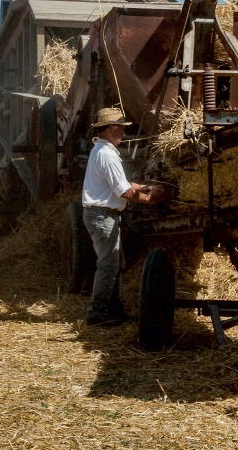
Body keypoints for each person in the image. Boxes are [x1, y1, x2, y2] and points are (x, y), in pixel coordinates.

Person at [82, 107, 168, 326]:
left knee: (115, 263)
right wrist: (152, 198)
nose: (123, 134)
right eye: (121, 129)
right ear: (112, 128)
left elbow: (124, 184)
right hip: (102, 216)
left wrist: (148, 187)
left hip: (102, 215)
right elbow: (125, 192)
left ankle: (114, 310)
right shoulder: (106, 154)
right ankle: (98, 313)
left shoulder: (101, 151)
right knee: (109, 265)